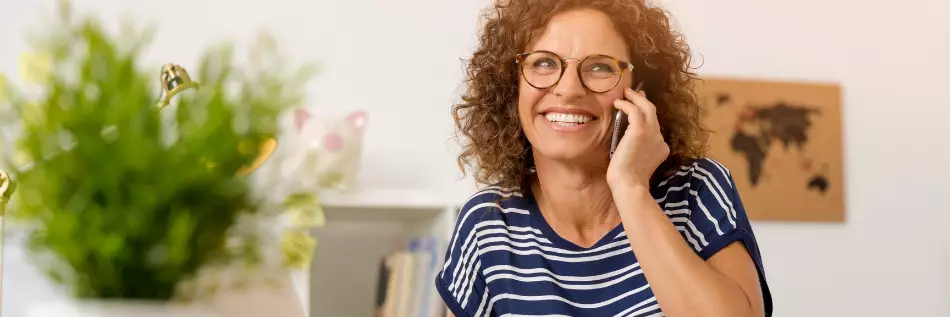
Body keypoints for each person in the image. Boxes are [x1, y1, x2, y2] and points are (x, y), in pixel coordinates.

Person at [436, 0, 773, 316]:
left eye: (599, 67)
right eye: (543, 63)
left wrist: (631, 189)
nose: (568, 89)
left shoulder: (697, 190)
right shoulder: (488, 225)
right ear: (513, 87)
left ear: (639, 91)